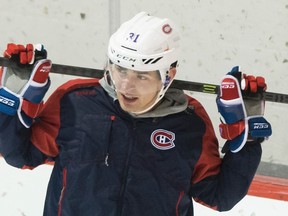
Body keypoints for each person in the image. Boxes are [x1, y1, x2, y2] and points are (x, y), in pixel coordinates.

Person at [0, 12, 272, 216]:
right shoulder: (77, 101)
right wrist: (10, 98)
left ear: (169, 76)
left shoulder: (190, 122)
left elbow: (219, 196)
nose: (126, 85)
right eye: (120, 70)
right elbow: (20, 154)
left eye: (142, 76)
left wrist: (245, 140)